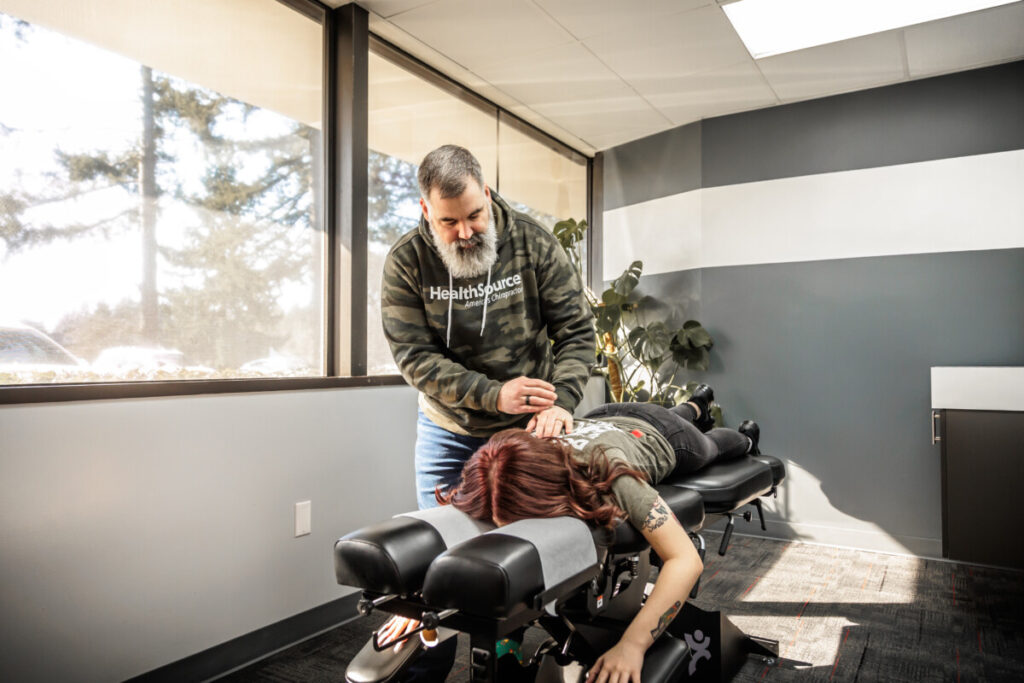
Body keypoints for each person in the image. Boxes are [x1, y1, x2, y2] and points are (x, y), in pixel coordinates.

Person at [378, 144, 596, 678]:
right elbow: (415, 359)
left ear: (488, 194)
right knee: (438, 563)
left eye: (475, 214)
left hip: (528, 433)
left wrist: (562, 403)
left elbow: (577, 333)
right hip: (449, 430)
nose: (467, 231)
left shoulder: (532, 243)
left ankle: (507, 655)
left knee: (518, 559)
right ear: (425, 210)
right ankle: (429, 651)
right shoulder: (407, 262)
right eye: (449, 221)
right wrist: (492, 394)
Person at [438, 386, 761, 683]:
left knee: (711, 446)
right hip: (601, 415)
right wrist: (429, 605)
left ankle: (745, 437)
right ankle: (695, 403)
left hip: (663, 432)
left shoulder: (609, 475)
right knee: (684, 413)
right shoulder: (499, 473)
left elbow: (685, 561)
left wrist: (633, 645)